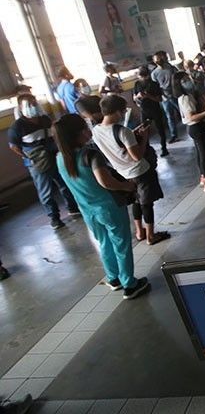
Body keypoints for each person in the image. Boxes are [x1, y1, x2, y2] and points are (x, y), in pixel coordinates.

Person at [53, 114, 151, 300]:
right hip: (108, 207)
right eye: (86, 127)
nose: (89, 129)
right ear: (80, 132)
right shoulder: (90, 155)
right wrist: (126, 185)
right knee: (121, 244)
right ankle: (130, 284)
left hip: (87, 210)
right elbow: (106, 182)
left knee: (105, 242)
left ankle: (113, 278)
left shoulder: (60, 158)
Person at [92, 95, 170, 245]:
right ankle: (151, 236)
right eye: (122, 111)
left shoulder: (96, 130)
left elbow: (116, 147)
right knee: (146, 203)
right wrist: (144, 137)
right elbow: (137, 156)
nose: (123, 115)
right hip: (140, 171)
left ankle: (140, 232)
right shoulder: (122, 131)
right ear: (115, 112)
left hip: (122, 173)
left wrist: (133, 136)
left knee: (136, 201)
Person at [8, 94, 81, 228]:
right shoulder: (17, 127)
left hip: (54, 157)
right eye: (29, 104)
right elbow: (14, 146)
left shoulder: (45, 119)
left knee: (64, 183)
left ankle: (72, 208)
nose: (33, 106)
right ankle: (54, 217)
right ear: (20, 107)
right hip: (37, 163)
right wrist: (29, 156)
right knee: (45, 191)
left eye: (34, 103)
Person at [174, 72, 205, 193]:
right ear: (178, 84)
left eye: (187, 78)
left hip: (194, 128)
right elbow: (191, 117)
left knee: (200, 153)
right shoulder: (185, 98)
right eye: (184, 80)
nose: (188, 81)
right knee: (204, 154)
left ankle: (203, 176)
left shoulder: (187, 95)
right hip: (195, 127)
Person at [133, 66, 169, 158]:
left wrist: (148, 96)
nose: (143, 78)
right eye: (141, 76)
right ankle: (146, 150)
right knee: (143, 131)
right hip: (144, 109)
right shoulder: (137, 84)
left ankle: (164, 148)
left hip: (155, 109)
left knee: (160, 130)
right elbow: (134, 97)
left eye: (144, 76)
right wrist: (138, 96)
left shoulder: (153, 84)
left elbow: (159, 99)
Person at [150, 52, 180, 143]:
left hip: (175, 94)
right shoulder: (154, 73)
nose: (159, 60)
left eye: (160, 58)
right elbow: (155, 87)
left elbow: (177, 78)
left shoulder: (171, 68)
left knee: (182, 112)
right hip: (164, 97)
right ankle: (174, 135)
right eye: (157, 59)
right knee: (169, 116)